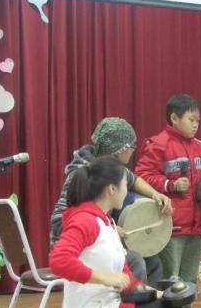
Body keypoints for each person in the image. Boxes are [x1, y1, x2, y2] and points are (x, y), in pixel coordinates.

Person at [50, 157, 184, 308]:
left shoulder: (107, 223)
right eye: (124, 185)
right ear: (112, 189)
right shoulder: (85, 220)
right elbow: (59, 261)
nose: (127, 190)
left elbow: (127, 279)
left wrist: (161, 294)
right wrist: (105, 278)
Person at [49, 117, 172, 285]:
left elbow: (133, 179)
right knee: (135, 261)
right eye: (131, 146)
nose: (133, 151)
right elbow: (63, 226)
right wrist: (107, 231)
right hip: (80, 244)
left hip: (100, 235)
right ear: (119, 150)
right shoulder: (86, 175)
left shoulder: (111, 169)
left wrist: (155, 194)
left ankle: (146, 298)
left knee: (152, 261)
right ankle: (130, 300)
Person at [135, 94, 201, 308]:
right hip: (171, 224)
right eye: (191, 119)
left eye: (198, 120)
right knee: (171, 278)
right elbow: (141, 176)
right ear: (175, 118)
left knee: (189, 279)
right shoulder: (158, 144)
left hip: (196, 223)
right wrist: (169, 184)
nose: (196, 124)